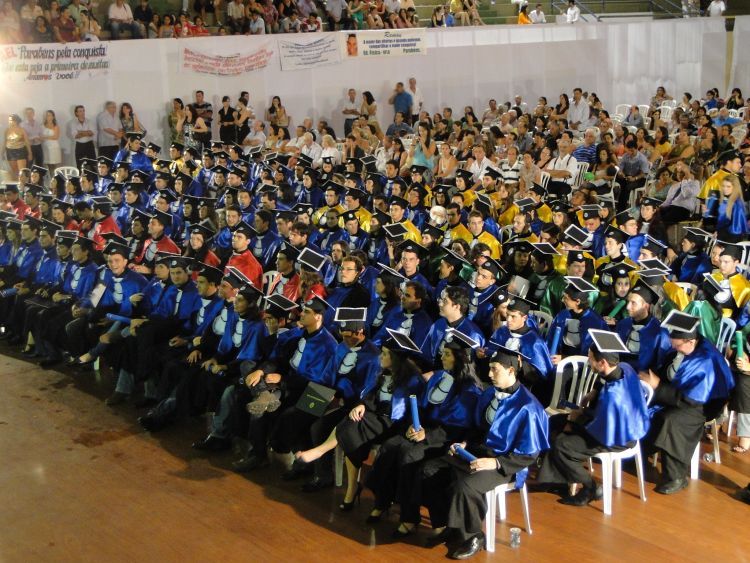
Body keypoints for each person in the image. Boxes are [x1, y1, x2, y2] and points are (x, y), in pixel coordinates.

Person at [420, 344, 549, 558]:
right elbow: (477, 427)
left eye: (494, 369)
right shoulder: (489, 393)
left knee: (465, 485)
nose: (489, 374)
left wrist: (495, 463)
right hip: (478, 452)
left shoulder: (528, 407)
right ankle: (449, 526)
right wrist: (464, 443)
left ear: (511, 370)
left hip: (506, 464)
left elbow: (529, 454)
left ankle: (473, 535)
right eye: (489, 368)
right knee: (430, 470)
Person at [538, 330, 650, 506]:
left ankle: (591, 487)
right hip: (618, 424)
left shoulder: (613, 396)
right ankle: (558, 480)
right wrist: (594, 391)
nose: (588, 361)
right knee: (553, 422)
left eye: (590, 359)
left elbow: (600, 428)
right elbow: (603, 381)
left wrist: (574, 421)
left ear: (602, 362)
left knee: (562, 444)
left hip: (618, 437)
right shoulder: (625, 368)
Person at [642, 310, 734, 494]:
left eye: (677, 346)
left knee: (670, 421)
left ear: (690, 341)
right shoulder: (686, 348)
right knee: (642, 406)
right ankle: (639, 452)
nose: (675, 349)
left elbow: (690, 398)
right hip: (682, 397)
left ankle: (676, 476)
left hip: (703, 405)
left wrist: (658, 386)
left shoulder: (704, 360)